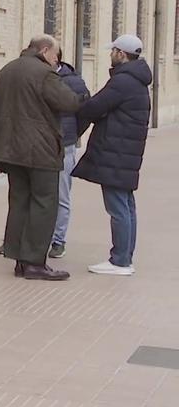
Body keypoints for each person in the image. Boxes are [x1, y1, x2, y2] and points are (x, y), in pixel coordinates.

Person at [0, 35, 83, 281]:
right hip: (40, 152)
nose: (56, 61)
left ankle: (20, 259)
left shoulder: (6, 70)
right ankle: (35, 263)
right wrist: (80, 95)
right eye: (55, 55)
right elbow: (69, 102)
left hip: (10, 151)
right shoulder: (44, 73)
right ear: (44, 49)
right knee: (44, 204)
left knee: (19, 202)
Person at [73, 34, 152, 276]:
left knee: (118, 207)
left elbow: (95, 107)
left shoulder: (123, 81)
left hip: (116, 155)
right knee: (126, 206)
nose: (111, 54)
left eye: (113, 51)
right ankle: (125, 258)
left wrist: (82, 104)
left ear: (121, 54)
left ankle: (119, 261)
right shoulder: (137, 81)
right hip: (125, 154)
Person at [49, 50, 91, 259]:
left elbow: (85, 114)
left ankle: (58, 240)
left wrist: (72, 135)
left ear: (53, 57)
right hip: (41, 147)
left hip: (64, 146)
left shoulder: (74, 82)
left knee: (61, 195)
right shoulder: (38, 77)